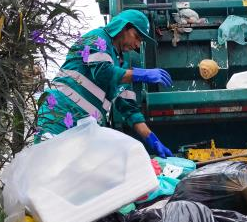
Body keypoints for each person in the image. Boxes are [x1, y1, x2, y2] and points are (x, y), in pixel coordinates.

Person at [35, 9, 173, 158]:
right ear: (124, 27)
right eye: (137, 37)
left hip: (83, 130)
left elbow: (129, 109)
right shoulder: (97, 38)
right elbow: (103, 72)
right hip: (59, 117)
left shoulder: (121, 66)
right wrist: (140, 74)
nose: (138, 45)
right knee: (48, 168)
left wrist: (151, 138)